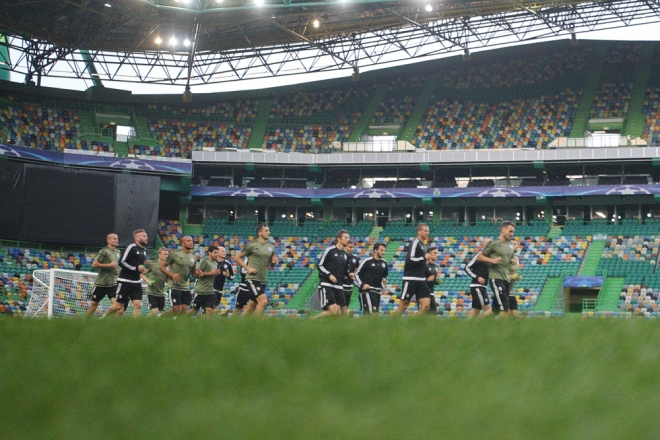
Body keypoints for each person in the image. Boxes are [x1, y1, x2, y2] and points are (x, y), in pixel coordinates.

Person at [236, 224, 278, 316]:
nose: (268, 232)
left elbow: (271, 266)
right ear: (259, 233)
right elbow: (238, 257)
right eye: (266, 231)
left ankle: (240, 325)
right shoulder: (252, 245)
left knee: (252, 305)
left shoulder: (271, 247)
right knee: (263, 302)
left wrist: (274, 262)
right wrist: (248, 268)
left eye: (268, 230)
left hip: (262, 279)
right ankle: (255, 326)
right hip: (252, 278)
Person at [105, 229, 149, 317]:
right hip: (125, 281)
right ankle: (103, 318)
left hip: (136, 282)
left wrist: (142, 270)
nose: (146, 237)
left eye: (146, 236)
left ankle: (134, 327)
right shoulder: (131, 247)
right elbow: (122, 262)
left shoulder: (144, 250)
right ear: (137, 238)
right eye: (144, 236)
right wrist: (136, 268)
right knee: (118, 306)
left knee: (138, 305)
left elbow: (138, 266)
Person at [478, 221, 516, 317]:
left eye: (513, 232)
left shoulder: (511, 245)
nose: (512, 234)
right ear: (503, 230)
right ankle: (503, 331)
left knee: (495, 309)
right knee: (505, 306)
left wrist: (513, 260)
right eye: (510, 231)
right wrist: (492, 260)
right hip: (496, 278)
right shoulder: (494, 243)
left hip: (506, 278)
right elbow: (480, 257)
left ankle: (477, 321)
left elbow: (512, 257)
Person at [395, 223, 432, 315]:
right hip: (411, 279)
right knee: (403, 305)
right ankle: (389, 325)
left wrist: (424, 262)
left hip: (421, 280)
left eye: (428, 231)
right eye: (426, 231)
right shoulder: (415, 243)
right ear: (419, 232)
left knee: (426, 305)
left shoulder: (423, 245)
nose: (428, 233)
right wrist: (424, 259)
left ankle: (412, 324)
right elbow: (410, 259)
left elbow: (418, 260)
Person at [160, 235, 198, 316]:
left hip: (184, 286)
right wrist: (172, 274)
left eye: (192, 241)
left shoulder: (193, 257)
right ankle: (160, 318)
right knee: (177, 310)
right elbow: (162, 266)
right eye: (188, 241)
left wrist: (199, 274)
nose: (191, 242)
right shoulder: (175, 254)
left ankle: (161, 317)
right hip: (174, 285)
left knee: (183, 311)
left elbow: (194, 274)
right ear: (183, 243)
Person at [316, 230, 350, 317]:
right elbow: (319, 265)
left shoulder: (346, 254)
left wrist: (349, 274)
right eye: (345, 237)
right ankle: (311, 322)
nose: (348, 239)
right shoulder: (330, 250)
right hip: (327, 285)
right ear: (339, 239)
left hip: (339, 286)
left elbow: (345, 271)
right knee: (333, 312)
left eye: (348, 238)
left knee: (344, 311)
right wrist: (329, 275)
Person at [86, 233, 120, 318]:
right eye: (114, 238)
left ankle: (106, 321)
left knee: (117, 306)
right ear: (108, 240)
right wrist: (109, 265)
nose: (116, 240)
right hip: (101, 283)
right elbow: (94, 264)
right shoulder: (104, 251)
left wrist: (116, 271)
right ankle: (85, 323)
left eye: (117, 238)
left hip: (112, 283)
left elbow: (115, 265)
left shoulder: (118, 252)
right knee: (93, 306)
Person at [354, 242, 388, 315]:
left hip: (377, 291)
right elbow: (356, 274)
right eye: (381, 250)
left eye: (384, 250)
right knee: (373, 314)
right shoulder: (367, 261)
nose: (383, 252)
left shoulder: (384, 263)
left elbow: (384, 275)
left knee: (368, 314)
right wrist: (363, 284)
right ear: (375, 250)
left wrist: (384, 280)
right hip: (368, 290)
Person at [187, 245, 221, 316]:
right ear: (209, 252)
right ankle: (180, 319)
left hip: (210, 291)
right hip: (200, 291)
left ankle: (205, 326)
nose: (217, 254)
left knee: (210, 310)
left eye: (217, 253)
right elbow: (197, 273)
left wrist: (217, 273)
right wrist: (210, 273)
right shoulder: (204, 261)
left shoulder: (215, 263)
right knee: (194, 310)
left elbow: (212, 273)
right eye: (215, 252)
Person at [465, 238, 493, 318]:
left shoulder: (489, 257)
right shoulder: (479, 256)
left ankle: (463, 329)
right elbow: (467, 267)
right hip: (477, 287)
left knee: (475, 312)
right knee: (488, 311)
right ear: (483, 245)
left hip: (482, 287)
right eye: (488, 243)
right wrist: (477, 277)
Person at [142, 247, 169, 316]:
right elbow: (142, 274)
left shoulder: (168, 266)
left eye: (167, 254)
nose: (166, 256)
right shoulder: (152, 264)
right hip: (151, 292)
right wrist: (147, 280)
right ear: (159, 254)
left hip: (161, 292)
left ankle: (145, 323)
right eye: (164, 254)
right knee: (155, 312)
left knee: (158, 314)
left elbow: (167, 279)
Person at [213, 246, 234, 315]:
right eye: (222, 251)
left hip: (220, 289)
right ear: (217, 252)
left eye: (225, 251)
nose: (224, 252)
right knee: (211, 309)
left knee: (215, 309)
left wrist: (228, 276)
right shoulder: (212, 262)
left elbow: (232, 277)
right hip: (211, 289)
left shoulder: (228, 264)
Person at [342, 240, 360, 315]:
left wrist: (354, 274)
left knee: (346, 305)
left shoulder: (356, 258)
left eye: (353, 247)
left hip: (350, 286)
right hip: (341, 285)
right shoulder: (341, 256)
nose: (352, 249)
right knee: (342, 307)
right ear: (345, 247)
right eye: (350, 247)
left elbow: (357, 270)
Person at [425, 246, 440, 315]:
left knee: (430, 311)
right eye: (435, 253)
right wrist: (427, 279)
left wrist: (437, 281)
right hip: (424, 292)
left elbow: (433, 280)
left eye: (437, 253)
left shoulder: (436, 266)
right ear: (429, 254)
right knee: (428, 310)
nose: (437, 255)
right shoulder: (425, 265)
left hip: (431, 291)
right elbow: (419, 278)